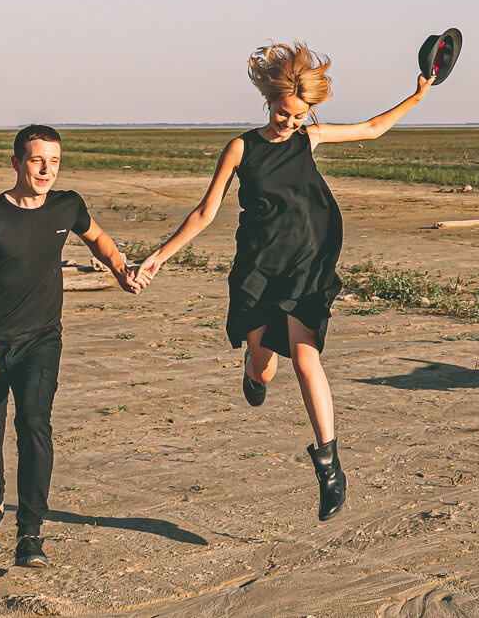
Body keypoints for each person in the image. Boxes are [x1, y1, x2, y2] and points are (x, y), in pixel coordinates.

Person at [130, 41, 430, 521]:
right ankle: (252, 368)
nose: (289, 122)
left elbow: (373, 129)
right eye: (283, 112)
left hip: (308, 260)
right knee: (266, 370)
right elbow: (207, 212)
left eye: (298, 115)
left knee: (306, 358)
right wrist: (159, 256)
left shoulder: (308, 139)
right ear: (268, 101)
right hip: (258, 266)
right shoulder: (241, 148)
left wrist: (419, 93)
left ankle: (330, 467)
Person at [0, 124, 137, 568]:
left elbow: (98, 238)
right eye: (37, 160)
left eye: (53, 160)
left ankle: (30, 532)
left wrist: (120, 269)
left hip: (40, 341)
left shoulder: (67, 206)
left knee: (35, 424)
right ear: (16, 163)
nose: (46, 169)